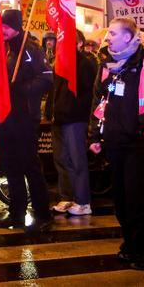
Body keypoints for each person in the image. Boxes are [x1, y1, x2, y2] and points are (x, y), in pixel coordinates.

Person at [89, 17, 144, 270]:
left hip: (139, 141)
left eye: (113, 33)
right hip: (115, 141)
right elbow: (98, 102)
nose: (108, 37)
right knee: (122, 199)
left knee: (139, 199)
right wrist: (95, 135)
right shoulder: (106, 64)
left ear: (128, 37)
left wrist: (139, 124)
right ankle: (131, 245)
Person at [0, 9, 54, 232]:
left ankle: (43, 214)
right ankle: (16, 213)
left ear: (16, 27)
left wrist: (22, 89)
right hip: (5, 117)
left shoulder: (30, 49)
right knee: (10, 166)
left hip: (25, 116)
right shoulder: (3, 49)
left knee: (30, 165)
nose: (3, 30)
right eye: (1, 26)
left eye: (6, 26)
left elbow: (47, 77)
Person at [48, 30, 97, 217]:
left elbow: (89, 94)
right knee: (62, 159)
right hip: (59, 118)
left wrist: (77, 113)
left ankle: (83, 201)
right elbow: (55, 92)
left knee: (77, 161)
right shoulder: (59, 64)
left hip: (75, 119)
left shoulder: (85, 64)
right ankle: (67, 197)